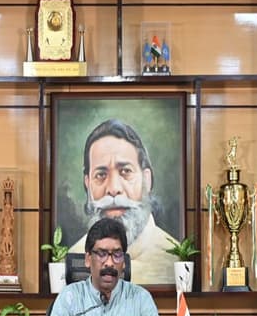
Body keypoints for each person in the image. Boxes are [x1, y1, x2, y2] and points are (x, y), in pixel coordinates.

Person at [42, 218, 166, 316]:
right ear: (88, 259)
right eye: (102, 254)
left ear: (124, 262)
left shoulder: (140, 299)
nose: (110, 263)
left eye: (117, 255)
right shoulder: (70, 297)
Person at [68, 119, 178, 285]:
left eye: (126, 171)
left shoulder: (175, 260)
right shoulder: (73, 258)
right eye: (100, 175)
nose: (113, 189)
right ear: (87, 184)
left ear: (147, 180)